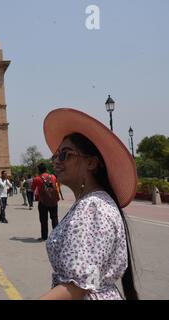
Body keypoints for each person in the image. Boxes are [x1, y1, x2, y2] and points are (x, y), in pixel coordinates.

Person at [39, 108, 139, 300]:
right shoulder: (94, 203)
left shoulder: (92, 208)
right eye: (56, 155)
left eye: (65, 155)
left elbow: (76, 287)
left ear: (91, 163)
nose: (56, 162)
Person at [32, 163, 59, 241]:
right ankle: (56, 236)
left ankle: (44, 237)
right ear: (46, 169)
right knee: (54, 219)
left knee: (43, 220)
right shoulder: (53, 177)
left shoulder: (37, 178)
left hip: (42, 202)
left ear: (39, 170)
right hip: (53, 201)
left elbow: (33, 188)